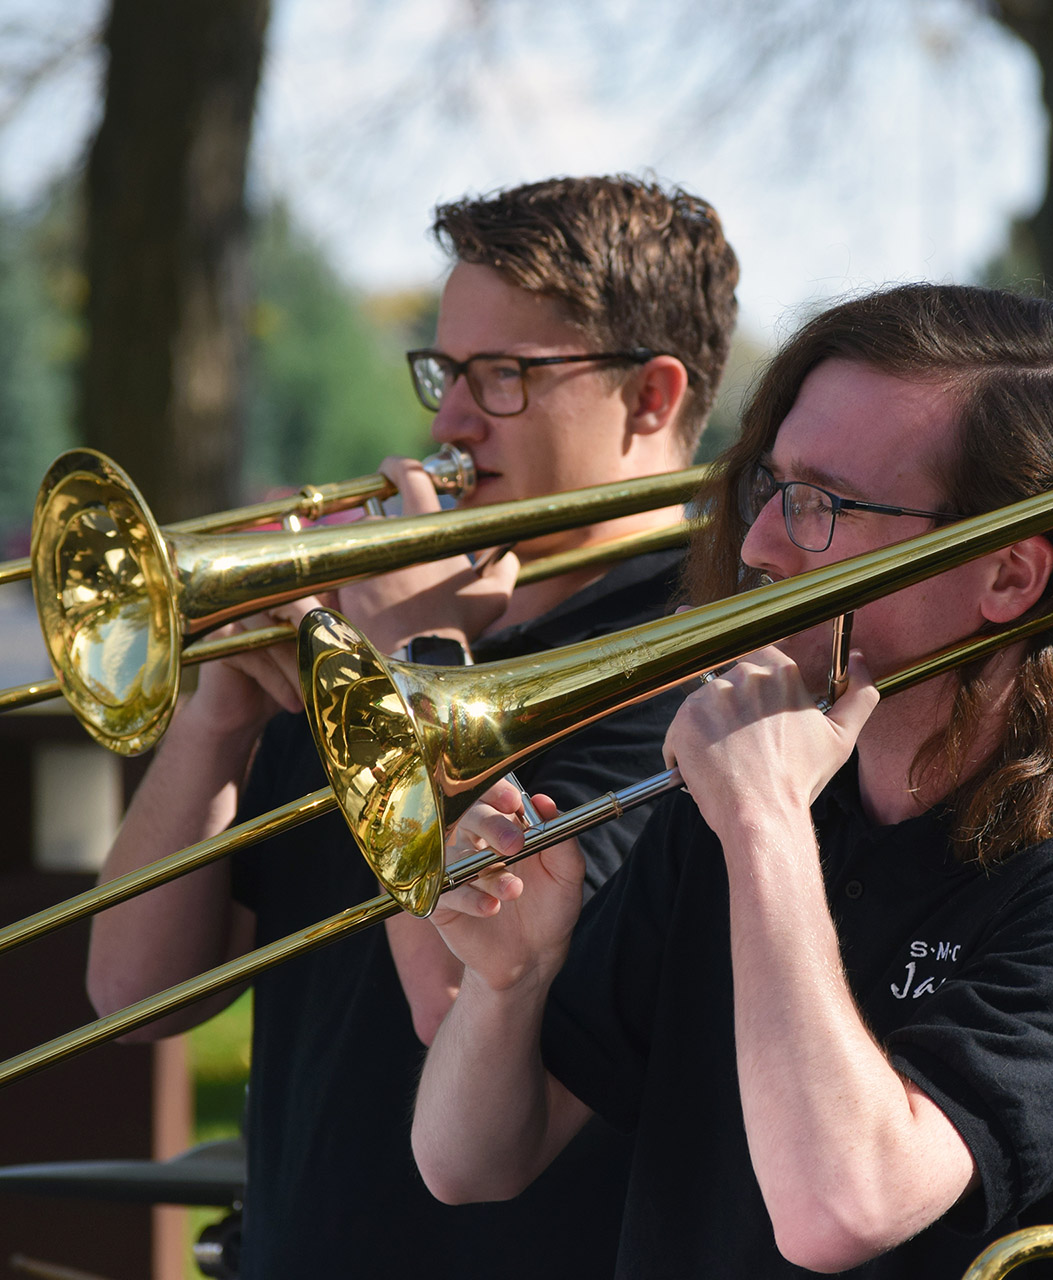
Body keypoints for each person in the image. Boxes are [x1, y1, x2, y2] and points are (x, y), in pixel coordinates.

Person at [409, 283, 1053, 1278]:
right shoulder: (743, 816)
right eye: (770, 486)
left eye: (821, 505)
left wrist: (763, 826)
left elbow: (837, 1211)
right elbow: (469, 1161)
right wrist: (509, 979)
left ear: (1007, 577)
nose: (756, 545)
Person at [86, 175, 739, 1278]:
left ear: (650, 395)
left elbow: (463, 1002)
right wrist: (218, 712)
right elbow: (134, 996)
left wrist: (406, 663)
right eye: (445, 370)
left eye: (504, 377)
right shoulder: (388, 631)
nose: (447, 421)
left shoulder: (694, 671)